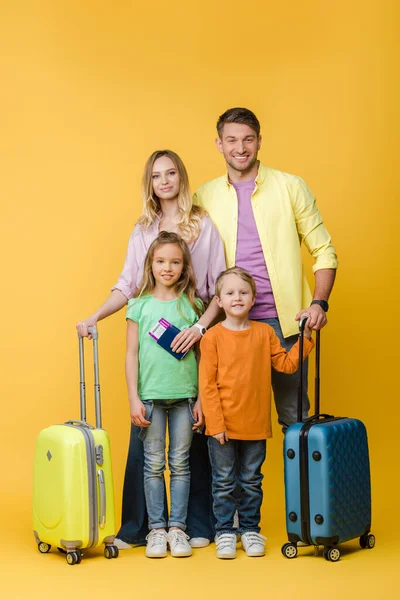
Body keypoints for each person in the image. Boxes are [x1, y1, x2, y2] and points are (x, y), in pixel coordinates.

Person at [76, 150, 226, 549]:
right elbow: (127, 285)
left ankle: (193, 526)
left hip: (194, 331)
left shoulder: (202, 224)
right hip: (153, 350)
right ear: (150, 182)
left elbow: (216, 286)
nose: (164, 181)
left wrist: (198, 327)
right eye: (156, 175)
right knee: (148, 444)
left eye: (171, 172)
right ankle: (142, 527)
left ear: (181, 176)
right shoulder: (143, 228)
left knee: (190, 444)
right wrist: (94, 316)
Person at [194, 108, 338, 430]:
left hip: (284, 325)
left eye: (248, 139)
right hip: (227, 326)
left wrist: (318, 303)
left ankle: (302, 482)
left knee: (295, 421)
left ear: (259, 141)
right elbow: (183, 254)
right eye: (231, 140)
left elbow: (324, 250)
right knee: (224, 424)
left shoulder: (291, 186)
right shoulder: (203, 195)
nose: (240, 148)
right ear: (219, 144)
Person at [199, 267, 314, 559]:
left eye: (243, 292)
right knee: (223, 482)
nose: (237, 298)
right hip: (222, 426)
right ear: (219, 301)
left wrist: (306, 339)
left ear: (253, 299)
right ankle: (225, 531)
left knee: (252, 481)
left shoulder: (265, 333)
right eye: (230, 293)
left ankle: (250, 530)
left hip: (256, 425)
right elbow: (207, 386)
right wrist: (215, 425)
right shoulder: (211, 338)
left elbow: (286, 365)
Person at [126, 231, 203, 558]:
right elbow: (131, 354)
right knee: (153, 465)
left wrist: (201, 399)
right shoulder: (138, 307)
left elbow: (202, 356)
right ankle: (156, 530)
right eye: (160, 261)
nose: (167, 267)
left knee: (181, 465)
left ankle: (178, 530)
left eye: (175, 261)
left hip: (185, 398)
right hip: (150, 399)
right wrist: (133, 397)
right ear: (151, 264)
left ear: (184, 266)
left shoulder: (192, 305)